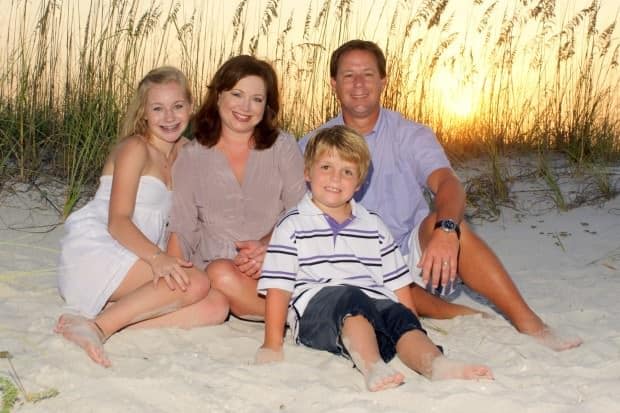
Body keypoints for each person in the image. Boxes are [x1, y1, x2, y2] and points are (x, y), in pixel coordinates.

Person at [300, 40, 582, 351]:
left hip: (410, 248)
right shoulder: (312, 143)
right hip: (352, 259)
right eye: (348, 75)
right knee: (353, 276)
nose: (358, 84)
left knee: (449, 224)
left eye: (367, 74)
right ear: (333, 83)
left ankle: (530, 323)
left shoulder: (411, 134)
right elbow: (296, 210)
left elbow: (448, 182)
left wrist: (446, 230)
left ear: (383, 81)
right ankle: (464, 314)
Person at [255, 126, 493, 391]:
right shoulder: (291, 225)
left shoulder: (373, 224)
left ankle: (436, 364)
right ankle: (371, 365)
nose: (336, 178)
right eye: (326, 167)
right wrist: (271, 343)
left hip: (373, 302)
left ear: (359, 183)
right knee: (350, 298)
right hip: (317, 311)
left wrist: (409, 318)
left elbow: (397, 282)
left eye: (347, 172)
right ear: (307, 172)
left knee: (399, 318)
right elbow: (279, 287)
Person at [55, 66, 229, 367]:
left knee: (217, 306)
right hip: (103, 247)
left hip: (141, 255)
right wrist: (158, 258)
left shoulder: (188, 153)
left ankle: (105, 322)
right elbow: (118, 220)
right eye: (158, 109)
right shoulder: (136, 148)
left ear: (190, 108)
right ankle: (98, 328)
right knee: (195, 283)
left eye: (177, 107)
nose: (169, 117)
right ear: (144, 113)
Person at [167, 55, 306, 319]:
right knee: (220, 275)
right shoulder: (192, 155)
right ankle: (293, 317)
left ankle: (293, 312)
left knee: (224, 282)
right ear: (218, 95)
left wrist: (270, 247)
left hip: (275, 265)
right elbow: (183, 226)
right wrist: (173, 280)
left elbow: (301, 212)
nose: (246, 107)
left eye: (257, 99)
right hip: (219, 273)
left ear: (267, 106)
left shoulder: (283, 146)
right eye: (237, 94)